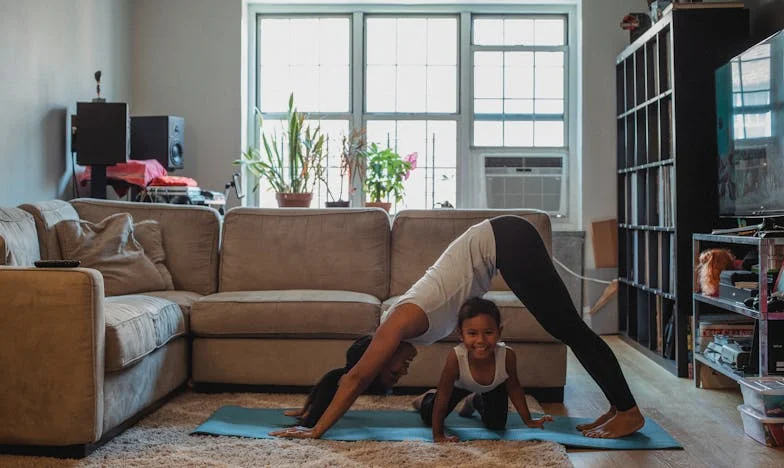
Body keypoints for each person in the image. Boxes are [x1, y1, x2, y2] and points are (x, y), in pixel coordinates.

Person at [271, 215, 644, 440]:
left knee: (569, 329)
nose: (402, 371)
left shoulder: (399, 323)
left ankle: (627, 409)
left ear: (380, 356)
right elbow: (348, 376)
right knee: (568, 328)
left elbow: (354, 379)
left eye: (393, 371)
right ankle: (617, 406)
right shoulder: (410, 330)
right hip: (505, 243)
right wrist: (312, 411)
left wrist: (315, 432)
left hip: (507, 241)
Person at [411, 297, 553, 442]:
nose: (481, 340)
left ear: (499, 331)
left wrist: (528, 420)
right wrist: (438, 435)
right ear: (461, 334)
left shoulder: (507, 356)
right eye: (472, 333)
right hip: (459, 386)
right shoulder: (456, 357)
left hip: (493, 387)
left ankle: (475, 400)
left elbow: (514, 388)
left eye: (488, 332)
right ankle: (427, 398)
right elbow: (444, 395)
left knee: (496, 425)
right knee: (429, 417)